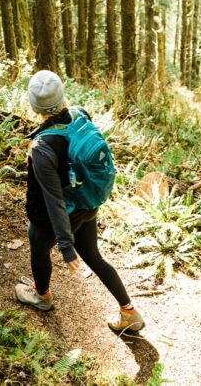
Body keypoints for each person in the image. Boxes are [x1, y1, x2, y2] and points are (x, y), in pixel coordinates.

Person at [14, 70, 144, 333]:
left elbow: (53, 199)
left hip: (60, 214)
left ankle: (42, 296)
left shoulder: (42, 147)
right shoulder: (79, 113)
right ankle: (129, 311)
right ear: (63, 97)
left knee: (38, 245)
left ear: (33, 105)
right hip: (87, 203)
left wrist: (65, 245)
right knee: (94, 255)